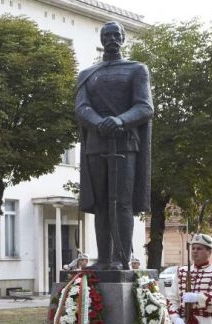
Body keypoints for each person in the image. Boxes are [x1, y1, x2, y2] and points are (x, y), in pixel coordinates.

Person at [75, 21, 153, 271]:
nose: (111, 39)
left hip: (125, 143)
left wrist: (119, 120)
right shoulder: (87, 73)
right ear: (101, 39)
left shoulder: (136, 69)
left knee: (121, 203)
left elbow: (145, 107)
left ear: (123, 38)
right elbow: (81, 107)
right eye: (106, 35)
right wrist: (99, 123)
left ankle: (122, 258)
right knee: (101, 204)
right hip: (97, 144)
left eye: (115, 35)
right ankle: (105, 259)